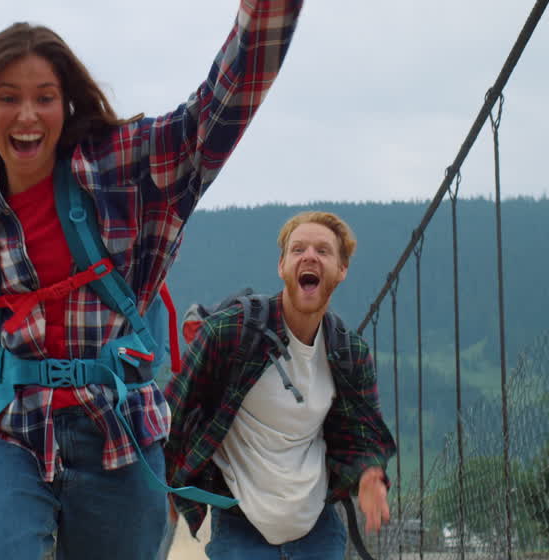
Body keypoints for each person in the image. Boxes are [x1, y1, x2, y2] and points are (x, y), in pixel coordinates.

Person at [0, 0, 309, 560]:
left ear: (67, 105)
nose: (27, 115)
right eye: (7, 98)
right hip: (13, 433)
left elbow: (222, 108)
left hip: (119, 434)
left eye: (44, 97)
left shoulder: (123, 172)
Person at [164, 211, 396, 560]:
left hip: (317, 529)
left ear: (342, 270)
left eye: (323, 250)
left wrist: (370, 475)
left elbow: (364, 433)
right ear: (282, 266)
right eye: (298, 248)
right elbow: (176, 411)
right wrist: (166, 488)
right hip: (241, 526)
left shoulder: (349, 354)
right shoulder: (232, 332)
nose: (310, 256)